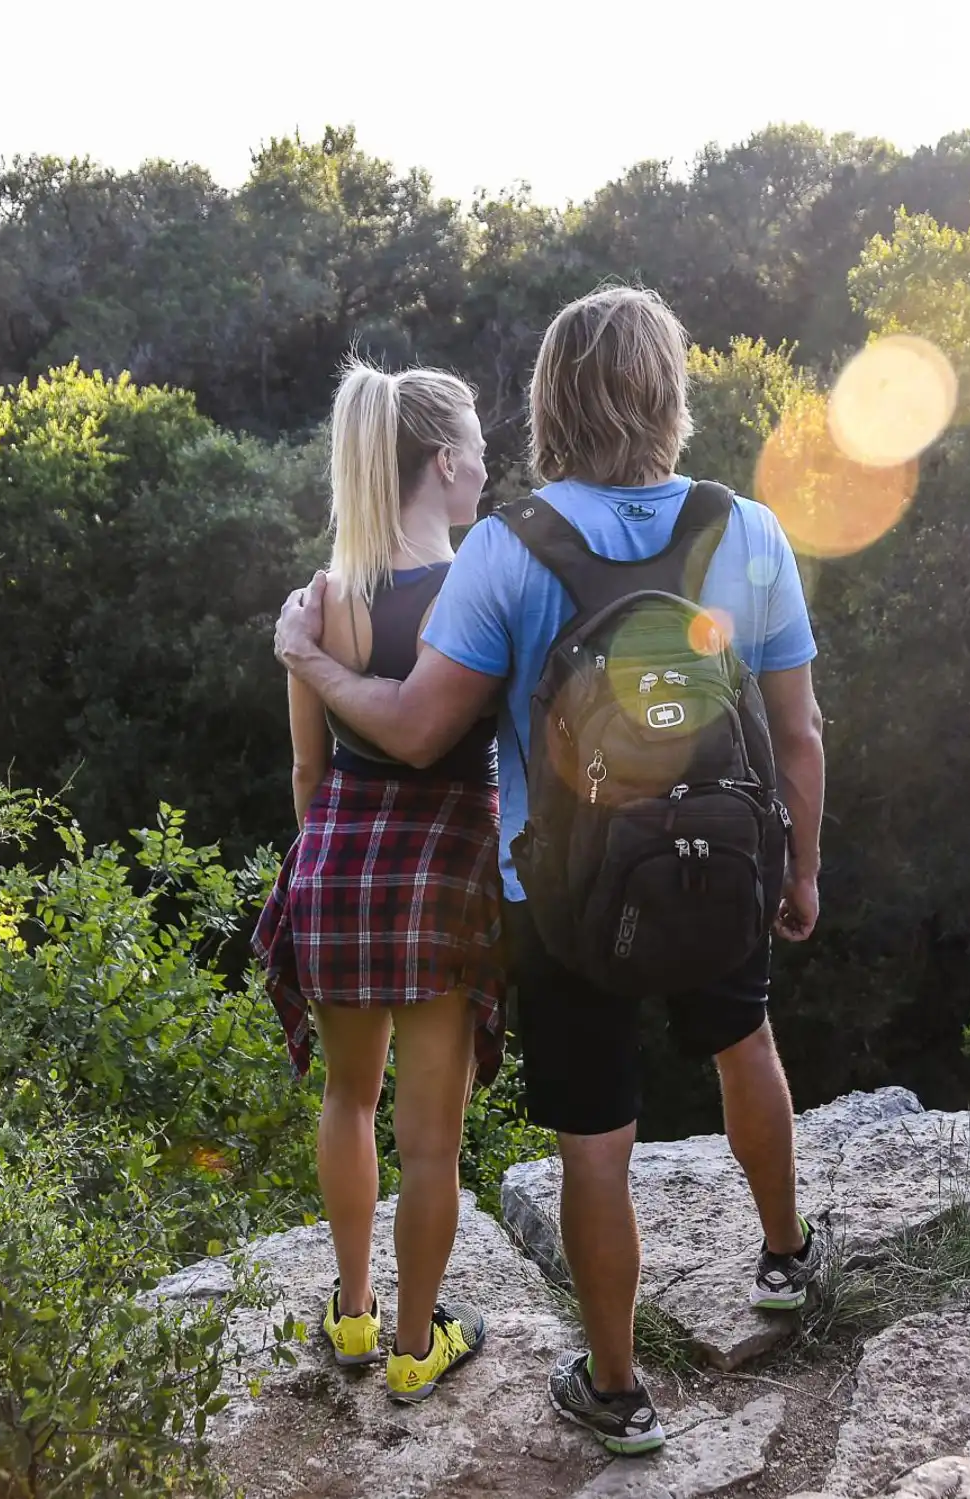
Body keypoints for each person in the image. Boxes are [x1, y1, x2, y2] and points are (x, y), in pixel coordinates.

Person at [274, 287, 828, 1455]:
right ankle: (784, 1258)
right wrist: (802, 867)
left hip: (563, 895)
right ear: (669, 393)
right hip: (722, 863)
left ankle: (616, 1387)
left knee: (595, 1139)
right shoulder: (747, 530)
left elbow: (418, 728)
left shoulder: (506, 548)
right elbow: (799, 732)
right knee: (746, 1046)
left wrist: (310, 663)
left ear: (546, 399)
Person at [252, 358, 501, 1404]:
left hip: (337, 866)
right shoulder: (482, 584)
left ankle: (349, 1314)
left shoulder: (323, 597)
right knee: (429, 1139)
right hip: (441, 874)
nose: (488, 469)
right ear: (443, 463)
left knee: (348, 1099)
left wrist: (328, 855)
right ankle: (412, 1346)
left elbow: (309, 770)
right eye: (480, 448)